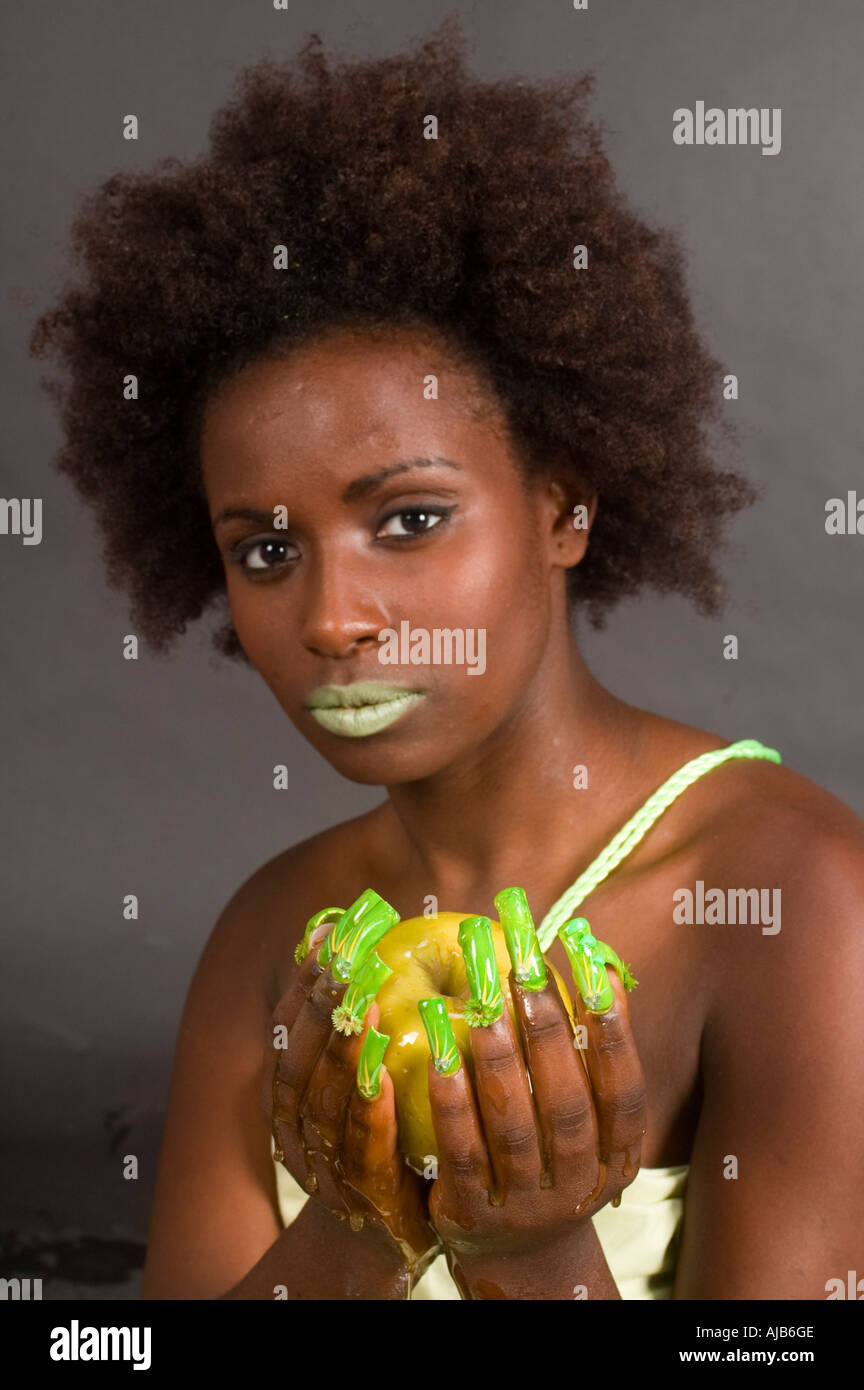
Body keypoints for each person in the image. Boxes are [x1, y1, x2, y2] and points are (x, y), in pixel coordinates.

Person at [30, 20, 864, 1300]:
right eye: (263, 550)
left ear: (562, 508)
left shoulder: (794, 899)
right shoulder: (274, 934)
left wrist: (527, 1248)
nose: (332, 617)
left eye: (409, 520)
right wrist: (357, 1232)